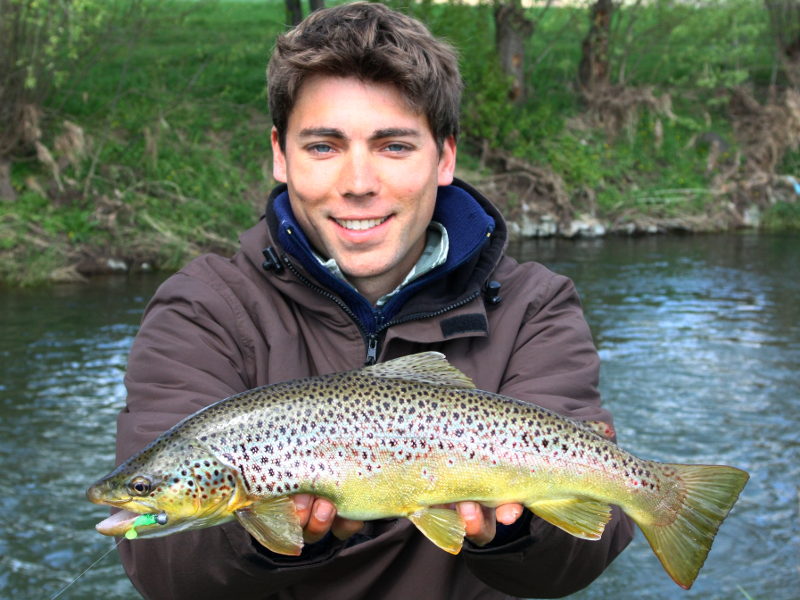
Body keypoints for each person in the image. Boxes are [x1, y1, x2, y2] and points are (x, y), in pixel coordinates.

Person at [116, 3, 633, 598]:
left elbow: (582, 550)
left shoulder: (533, 306)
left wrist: (517, 533)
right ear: (280, 155)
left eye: (392, 146)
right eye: (323, 147)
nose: (359, 183)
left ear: (445, 157)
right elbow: (165, 572)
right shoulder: (202, 309)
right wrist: (269, 537)